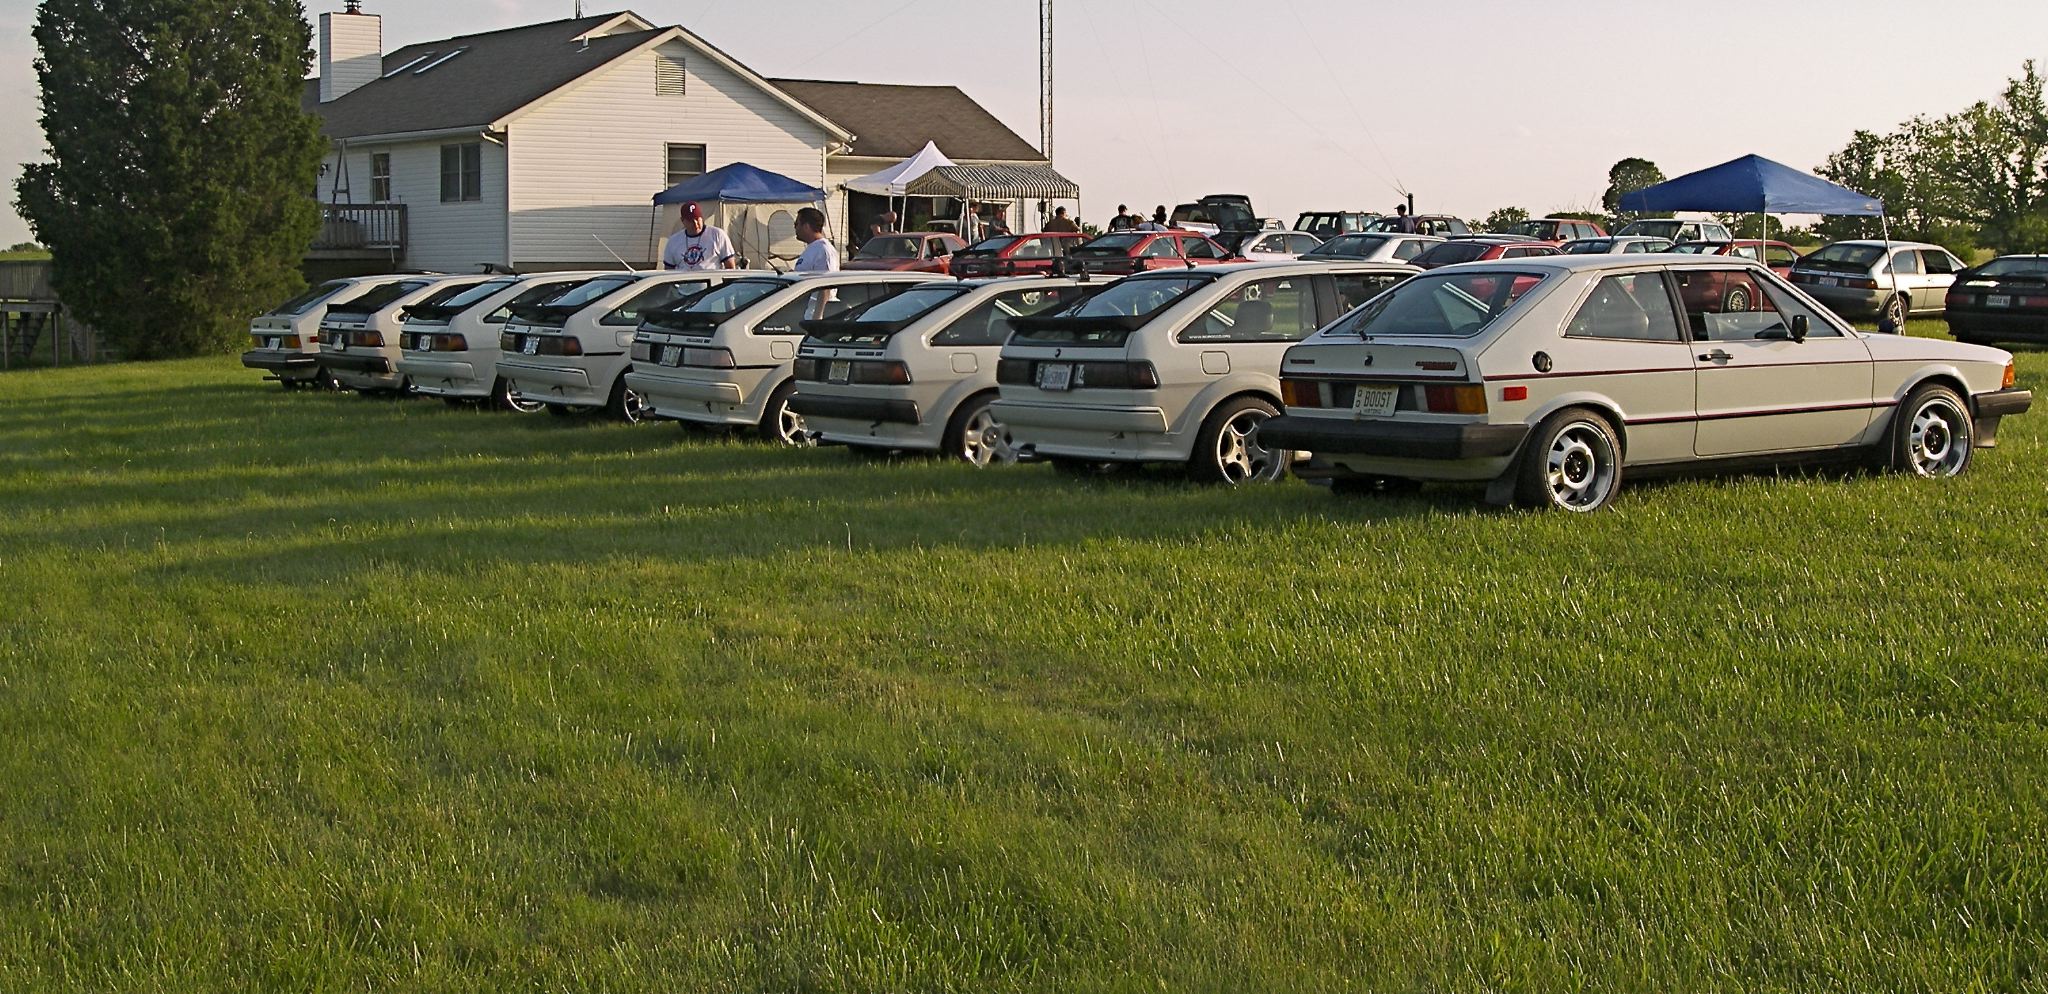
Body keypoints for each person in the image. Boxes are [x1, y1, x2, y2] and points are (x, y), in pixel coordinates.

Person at [661, 201, 737, 271]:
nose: (695, 224)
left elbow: (730, 267)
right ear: (683, 221)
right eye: (691, 220)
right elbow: (668, 270)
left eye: (697, 219)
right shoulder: (673, 241)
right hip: (684, 280)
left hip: (711, 280)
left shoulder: (717, 235)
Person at [794, 206, 838, 273]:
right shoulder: (813, 247)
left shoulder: (823, 250)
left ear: (806, 226)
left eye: (796, 224)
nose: (795, 228)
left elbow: (826, 277)